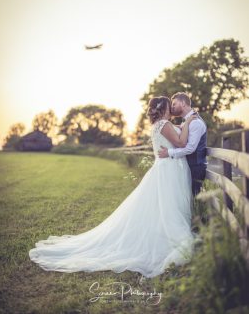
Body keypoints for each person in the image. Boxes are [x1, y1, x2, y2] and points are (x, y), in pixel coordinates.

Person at [29, 96, 198, 278]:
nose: (172, 108)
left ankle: (163, 235)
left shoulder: (161, 125)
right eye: (169, 105)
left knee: (164, 206)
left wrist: (183, 125)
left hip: (167, 168)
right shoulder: (164, 124)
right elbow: (181, 143)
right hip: (168, 170)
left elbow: (177, 137)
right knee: (168, 205)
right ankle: (170, 238)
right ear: (164, 108)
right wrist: (189, 121)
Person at [158, 92, 207, 197]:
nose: (172, 107)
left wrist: (169, 153)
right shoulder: (187, 122)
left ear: (183, 103)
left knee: (195, 200)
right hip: (189, 167)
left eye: (174, 104)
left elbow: (190, 149)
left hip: (196, 168)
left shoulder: (195, 123)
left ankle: (200, 214)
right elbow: (179, 129)